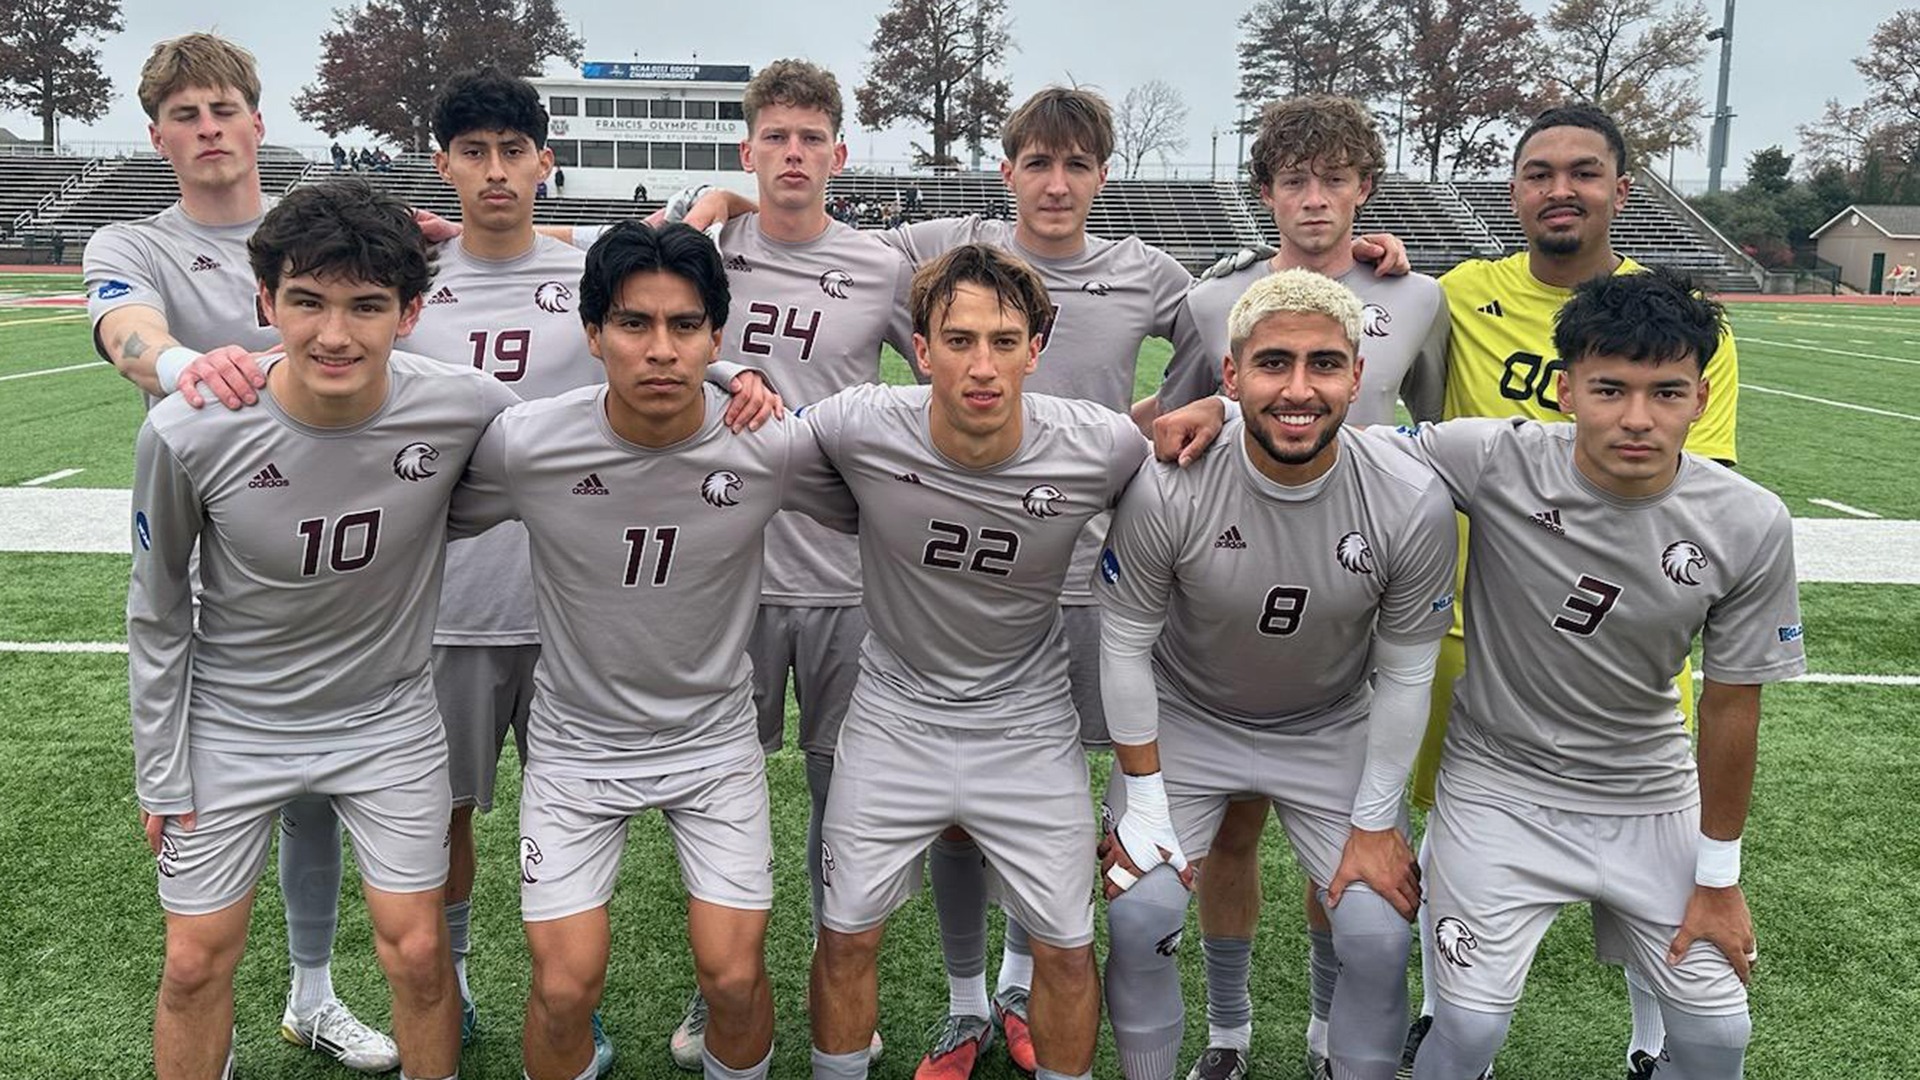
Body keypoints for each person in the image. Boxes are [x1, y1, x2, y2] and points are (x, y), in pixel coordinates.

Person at [128, 179, 519, 1080]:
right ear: (265, 302)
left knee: (420, 957)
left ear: (412, 312)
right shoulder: (189, 430)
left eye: (366, 306)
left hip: (387, 721)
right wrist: (162, 766)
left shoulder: (464, 406)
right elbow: (155, 611)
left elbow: (595, 427)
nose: (334, 334)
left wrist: (733, 374)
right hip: (233, 722)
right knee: (192, 963)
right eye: (305, 302)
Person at [449, 220, 856, 1080]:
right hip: (575, 748)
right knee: (565, 987)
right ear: (593, 334)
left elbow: (900, 484)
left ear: (718, 335)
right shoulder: (529, 444)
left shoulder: (768, 445)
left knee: (735, 978)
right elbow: (408, 501)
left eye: (685, 327)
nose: (660, 349)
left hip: (712, 744)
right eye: (634, 324)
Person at [85, 32, 402, 1073]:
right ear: (159, 136)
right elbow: (125, 331)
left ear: (257, 122)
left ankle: (313, 995)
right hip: (208, 535)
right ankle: (216, 1013)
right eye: (185, 115)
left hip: (338, 541)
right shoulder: (134, 244)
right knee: (209, 796)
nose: (208, 129)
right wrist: (186, 363)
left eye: (224, 108)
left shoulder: (317, 229)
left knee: (316, 787)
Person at [1395, 268, 1799, 1080]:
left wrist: (1719, 878)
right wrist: (1215, 413)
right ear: (1564, 388)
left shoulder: (1750, 522)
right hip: (1498, 785)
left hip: (1647, 793)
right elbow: (1334, 437)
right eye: (1610, 389)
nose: (1639, 419)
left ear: (1701, 395)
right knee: (1467, 1026)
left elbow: (1729, 707)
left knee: (1719, 1038)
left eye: (1667, 392)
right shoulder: (1494, 458)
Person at [1138, 94, 1449, 1080]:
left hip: (1351, 610)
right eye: (1294, 180)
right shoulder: (1210, 299)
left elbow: (1431, 437)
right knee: (1228, 835)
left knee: (1346, 863)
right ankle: (1227, 1035)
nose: (1314, 200)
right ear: (1265, 190)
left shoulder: (1418, 297)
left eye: (1335, 179)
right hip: (1231, 596)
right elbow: (1184, 411)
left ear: (1367, 186)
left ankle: (1325, 1035)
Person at [805, 243, 1148, 1080]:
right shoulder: (859, 424)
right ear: (920, 349)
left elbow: (1193, 475)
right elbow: (749, 449)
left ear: (1038, 346)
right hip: (894, 717)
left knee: (1068, 951)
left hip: (1026, 725)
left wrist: (1208, 418)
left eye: (1003, 340)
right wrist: (727, 379)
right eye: (958, 341)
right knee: (845, 936)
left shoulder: (1101, 446)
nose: (982, 365)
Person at [661, 58, 915, 1073]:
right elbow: (612, 268)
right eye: (776, 138)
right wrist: (704, 206)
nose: (795, 154)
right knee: (719, 788)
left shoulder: (884, 264)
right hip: (723, 566)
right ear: (749, 150)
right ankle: (719, 979)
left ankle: (828, 970)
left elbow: (947, 362)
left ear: (839, 154)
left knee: (837, 792)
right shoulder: (704, 246)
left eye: (812, 137)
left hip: (847, 572)